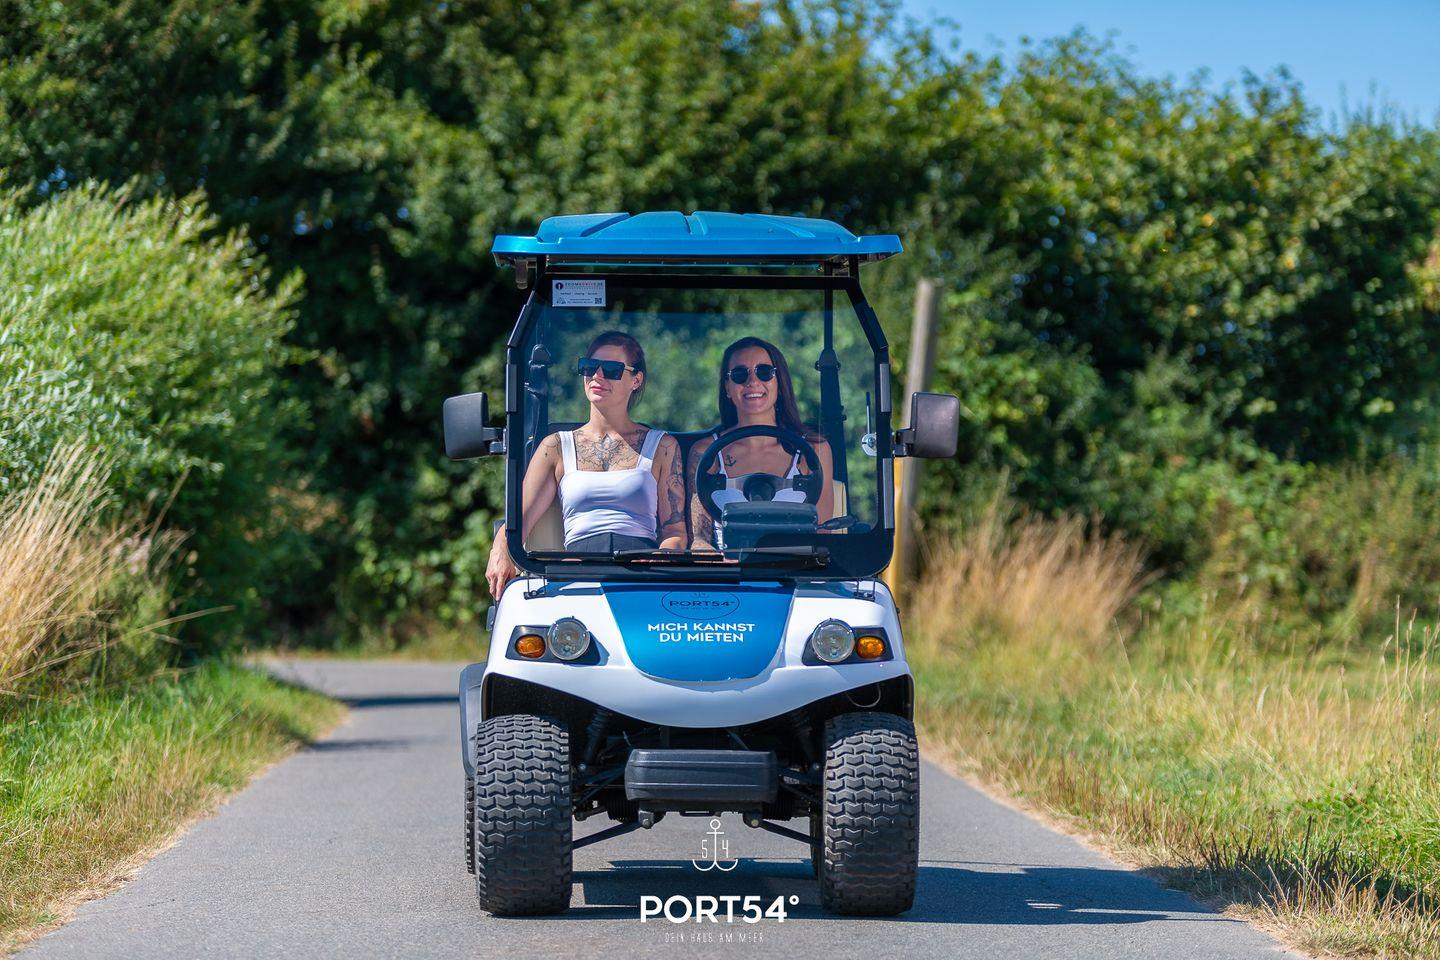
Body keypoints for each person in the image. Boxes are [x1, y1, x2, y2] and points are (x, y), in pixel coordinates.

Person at [485, 330, 686, 597]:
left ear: (636, 380)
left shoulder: (662, 446)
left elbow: (675, 532)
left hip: (642, 574)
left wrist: (660, 560)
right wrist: (500, 548)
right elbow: (518, 521)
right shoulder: (555, 447)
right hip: (576, 574)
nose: (597, 376)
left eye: (612, 369)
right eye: (589, 367)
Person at [688, 337, 834, 548]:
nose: (753, 382)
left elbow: (822, 533)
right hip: (726, 566)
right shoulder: (706, 453)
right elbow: (699, 538)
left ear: (779, 383)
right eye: (740, 374)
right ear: (727, 388)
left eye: (764, 372)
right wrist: (720, 562)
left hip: (794, 566)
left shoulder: (813, 450)